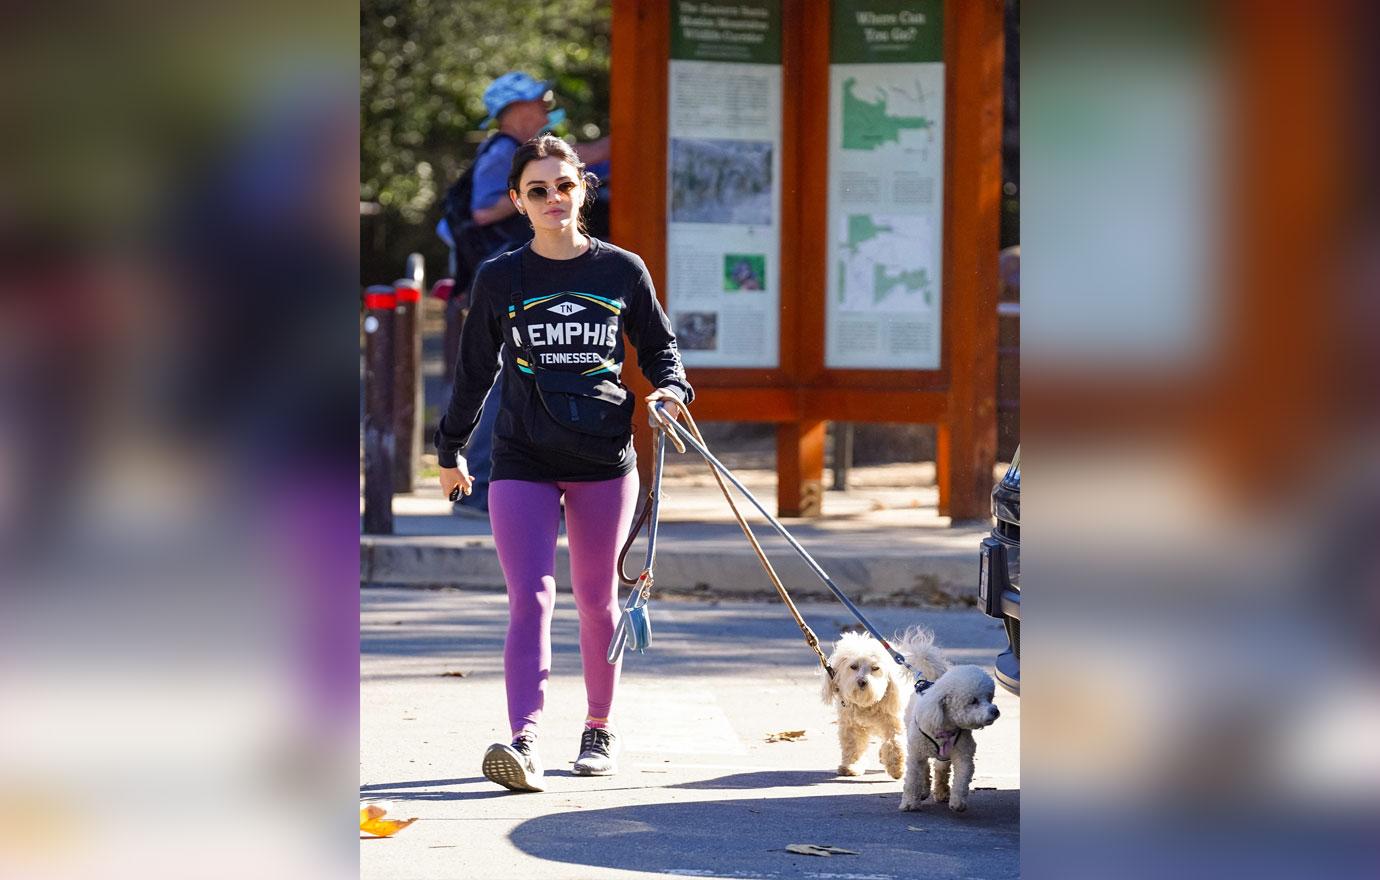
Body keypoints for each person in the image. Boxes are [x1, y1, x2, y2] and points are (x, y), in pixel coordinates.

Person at [435, 134, 691, 792]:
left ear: (584, 190)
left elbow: (661, 353)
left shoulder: (621, 271)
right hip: (521, 458)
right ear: (518, 201)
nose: (554, 199)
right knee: (531, 598)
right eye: (538, 190)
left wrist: (669, 392)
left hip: (603, 459)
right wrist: (450, 449)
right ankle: (523, 741)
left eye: (565, 186)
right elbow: (470, 375)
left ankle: (598, 728)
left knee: (598, 601)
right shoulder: (501, 277)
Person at [445, 71, 612, 517]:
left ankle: (498, 488)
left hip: (523, 287)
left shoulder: (518, 151)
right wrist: (537, 196)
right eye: (542, 101)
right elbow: (482, 210)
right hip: (509, 289)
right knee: (500, 382)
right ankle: (479, 491)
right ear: (517, 109)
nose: (548, 107)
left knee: (519, 380)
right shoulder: (503, 154)